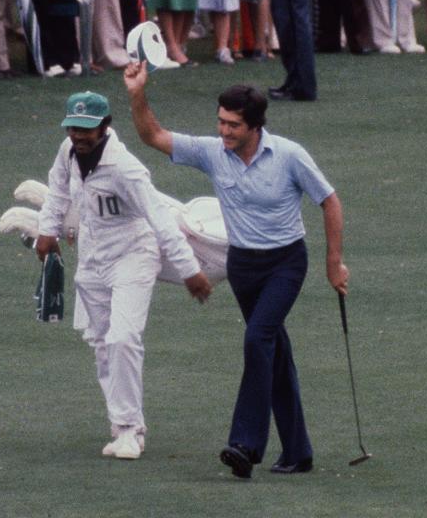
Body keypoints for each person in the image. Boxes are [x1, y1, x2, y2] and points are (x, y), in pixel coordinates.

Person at [123, 70, 348, 479]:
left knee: (258, 337)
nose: (224, 130)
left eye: (233, 125)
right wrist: (138, 95)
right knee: (274, 352)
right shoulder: (212, 152)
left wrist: (334, 262)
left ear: (255, 126)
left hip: (285, 263)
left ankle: (245, 444)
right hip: (242, 264)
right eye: (221, 121)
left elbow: (329, 201)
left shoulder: (289, 155)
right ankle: (298, 452)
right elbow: (153, 137)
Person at [35, 90, 211, 460]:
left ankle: (131, 430)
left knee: (123, 338)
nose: (78, 136)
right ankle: (121, 425)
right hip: (92, 256)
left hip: (134, 253)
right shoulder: (67, 152)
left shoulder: (125, 168)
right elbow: (55, 190)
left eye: (86, 129)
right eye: (73, 128)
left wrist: (189, 270)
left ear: (105, 126)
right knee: (102, 343)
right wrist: (46, 230)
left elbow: (159, 217)